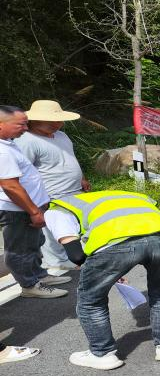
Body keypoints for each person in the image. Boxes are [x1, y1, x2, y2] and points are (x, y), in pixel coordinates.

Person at [44, 190, 160, 370]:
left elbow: (76, 255)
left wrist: (106, 269)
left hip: (115, 245)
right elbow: (142, 231)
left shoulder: (56, 210)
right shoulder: (121, 196)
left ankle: (102, 353)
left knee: (91, 300)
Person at [0, 105, 70, 301]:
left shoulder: (8, 143)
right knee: (19, 249)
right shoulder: (2, 151)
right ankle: (29, 285)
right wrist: (33, 211)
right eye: (20, 124)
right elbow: (11, 186)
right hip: (17, 209)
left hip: (27, 206)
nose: (25, 127)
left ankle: (38, 275)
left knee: (33, 243)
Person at [15, 100, 90, 271]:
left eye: (59, 120)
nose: (58, 124)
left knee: (73, 224)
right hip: (51, 192)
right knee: (51, 229)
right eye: (52, 121)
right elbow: (24, 171)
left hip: (74, 189)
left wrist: (82, 177)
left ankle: (71, 255)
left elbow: (71, 157)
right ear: (35, 120)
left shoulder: (62, 136)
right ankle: (55, 262)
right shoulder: (27, 141)